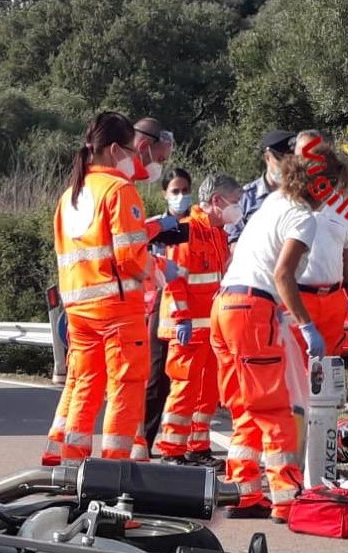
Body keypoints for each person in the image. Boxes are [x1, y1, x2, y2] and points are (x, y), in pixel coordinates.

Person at [210, 145, 348, 523]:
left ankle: (244, 492)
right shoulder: (302, 216)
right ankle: (287, 498)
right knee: (275, 407)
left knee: (245, 407)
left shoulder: (274, 201)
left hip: (225, 306)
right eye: (333, 186)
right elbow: (283, 275)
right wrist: (307, 325)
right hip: (253, 310)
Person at [44, 111, 184, 464]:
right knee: (126, 387)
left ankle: (72, 467)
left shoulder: (69, 196)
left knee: (85, 388)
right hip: (117, 309)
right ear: (114, 149)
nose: (132, 158)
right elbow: (130, 259)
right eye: (129, 151)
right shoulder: (118, 191)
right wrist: (162, 267)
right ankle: (115, 477)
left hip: (78, 309)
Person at [155, 174, 242, 470]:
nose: (238, 208)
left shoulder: (217, 233)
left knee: (207, 392)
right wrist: (182, 318)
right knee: (184, 388)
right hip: (187, 328)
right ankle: (171, 450)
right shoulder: (185, 230)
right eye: (235, 202)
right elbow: (175, 279)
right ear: (217, 201)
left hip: (210, 328)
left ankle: (197, 447)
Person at [290, 130, 348, 356]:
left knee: (329, 377)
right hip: (298, 298)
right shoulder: (285, 201)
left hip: (333, 300)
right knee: (297, 377)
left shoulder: (343, 205)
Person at [142, 168, 194, 453]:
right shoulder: (154, 227)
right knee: (156, 380)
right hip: (160, 309)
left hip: (193, 313)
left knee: (188, 383)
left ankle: (184, 445)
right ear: (164, 193)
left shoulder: (198, 227)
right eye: (175, 191)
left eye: (185, 190)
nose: (181, 196)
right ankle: (144, 442)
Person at [225, 129, 296, 248]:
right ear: (267, 158)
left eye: (291, 160)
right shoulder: (245, 198)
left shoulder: (300, 193)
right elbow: (233, 241)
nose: (286, 166)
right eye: (281, 160)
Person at [132, 117, 177, 185]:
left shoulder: (125, 180)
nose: (160, 166)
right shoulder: (121, 184)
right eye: (160, 159)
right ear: (143, 146)